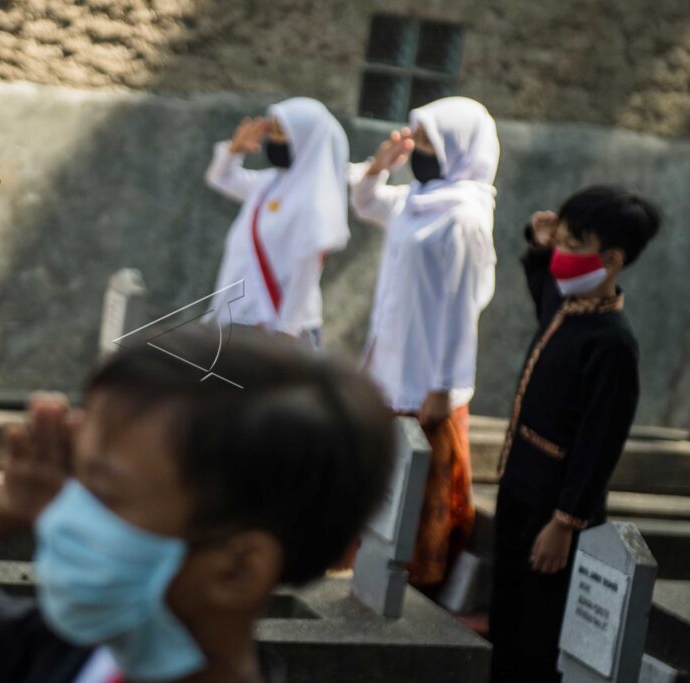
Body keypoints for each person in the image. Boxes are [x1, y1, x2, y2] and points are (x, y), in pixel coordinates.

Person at [0, 324, 396, 682]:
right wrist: (8, 503)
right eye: (76, 479)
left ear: (238, 568)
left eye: (104, 494)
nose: (65, 512)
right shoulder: (59, 653)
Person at [489, 186, 661, 682]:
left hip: (555, 509)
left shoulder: (612, 344)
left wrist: (565, 522)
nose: (560, 254)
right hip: (518, 485)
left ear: (610, 260)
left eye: (571, 244)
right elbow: (542, 277)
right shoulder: (565, 306)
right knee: (506, 613)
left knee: (539, 632)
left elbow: (598, 444)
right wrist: (540, 241)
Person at [347, 96, 500, 590]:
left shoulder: (464, 217)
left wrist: (443, 386)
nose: (423, 153)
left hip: (427, 381)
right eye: (421, 142)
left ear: (460, 150)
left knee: (424, 494)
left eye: (433, 143)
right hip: (388, 361)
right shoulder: (415, 200)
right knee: (380, 486)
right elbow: (367, 202)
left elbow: (461, 309)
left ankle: (420, 588)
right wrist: (378, 167)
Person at [203, 98, 350, 348]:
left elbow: (306, 270)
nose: (272, 139)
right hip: (240, 317)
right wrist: (234, 150)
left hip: (274, 329)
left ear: (304, 139)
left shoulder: (315, 200)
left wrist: (286, 331)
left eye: (280, 132)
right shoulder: (269, 183)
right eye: (271, 131)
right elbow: (221, 178)